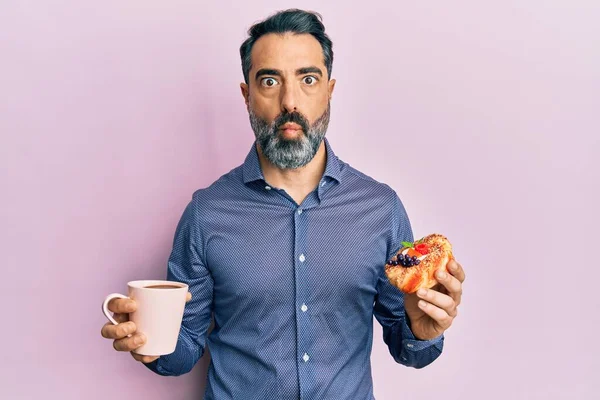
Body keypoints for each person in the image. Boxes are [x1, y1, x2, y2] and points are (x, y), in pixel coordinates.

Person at [101, 8, 466, 399]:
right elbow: (185, 346)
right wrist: (148, 342)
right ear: (247, 96)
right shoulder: (206, 214)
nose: (289, 101)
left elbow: (408, 344)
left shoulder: (380, 209)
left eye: (308, 79)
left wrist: (421, 332)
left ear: (329, 89)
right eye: (270, 80)